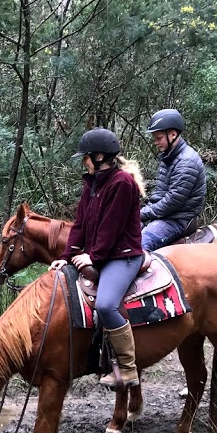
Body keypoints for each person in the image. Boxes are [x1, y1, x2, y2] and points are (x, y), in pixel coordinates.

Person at [50, 128, 144, 388]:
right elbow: (79, 225)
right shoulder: (91, 185)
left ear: (100, 156)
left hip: (122, 256)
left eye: (86, 157)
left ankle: (127, 368)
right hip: (103, 254)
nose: (84, 162)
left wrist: (93, 257)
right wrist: (67, 257)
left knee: (105, 305)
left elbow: (111, 228)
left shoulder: (122, 183)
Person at [140, 108, 206, 251]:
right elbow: (160, 194)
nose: (156, 142)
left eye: (159, 138)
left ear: (173, 134)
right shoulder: (169, 156)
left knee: (137, 247)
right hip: (166, 215)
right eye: (155, 139)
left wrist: (142, 214)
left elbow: (172, 201)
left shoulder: (186, 162)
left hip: (178, 220)